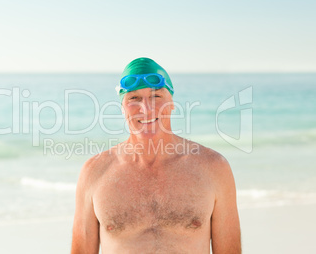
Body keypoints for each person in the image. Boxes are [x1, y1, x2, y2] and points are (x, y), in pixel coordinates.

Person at [71, 57, 241, 253]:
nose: (146, 108)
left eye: (156, 97)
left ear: (172, 104)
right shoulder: (95, 172)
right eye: (133, 98)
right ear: (122, 108)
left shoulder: (213, 168)